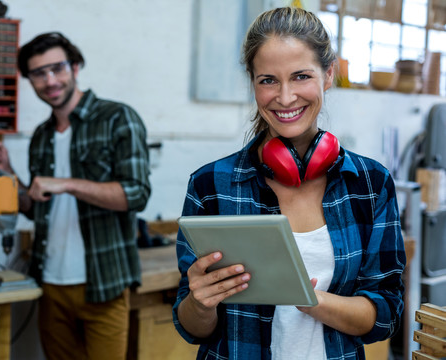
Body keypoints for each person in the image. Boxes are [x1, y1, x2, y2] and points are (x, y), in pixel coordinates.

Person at [172, 7, 405, 360]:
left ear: (328, 75)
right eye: (268, 80)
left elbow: (386, 317)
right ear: (252, 82)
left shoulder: (371, 183)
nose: (284, 97)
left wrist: (312, 302)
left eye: (300, 76)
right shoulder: (210, 184)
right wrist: (200, 303)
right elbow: (191, 328)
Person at [0, 32, 151, 359]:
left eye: (57, 68)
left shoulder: (117, 118)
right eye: (38, 74)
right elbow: (34, 207)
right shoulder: (42, 136)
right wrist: (8, 172)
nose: (49, 80)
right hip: (50, 285)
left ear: (75, 67)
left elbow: (136, 194)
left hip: (103, 284)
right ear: (29, 80)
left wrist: (67, 183)